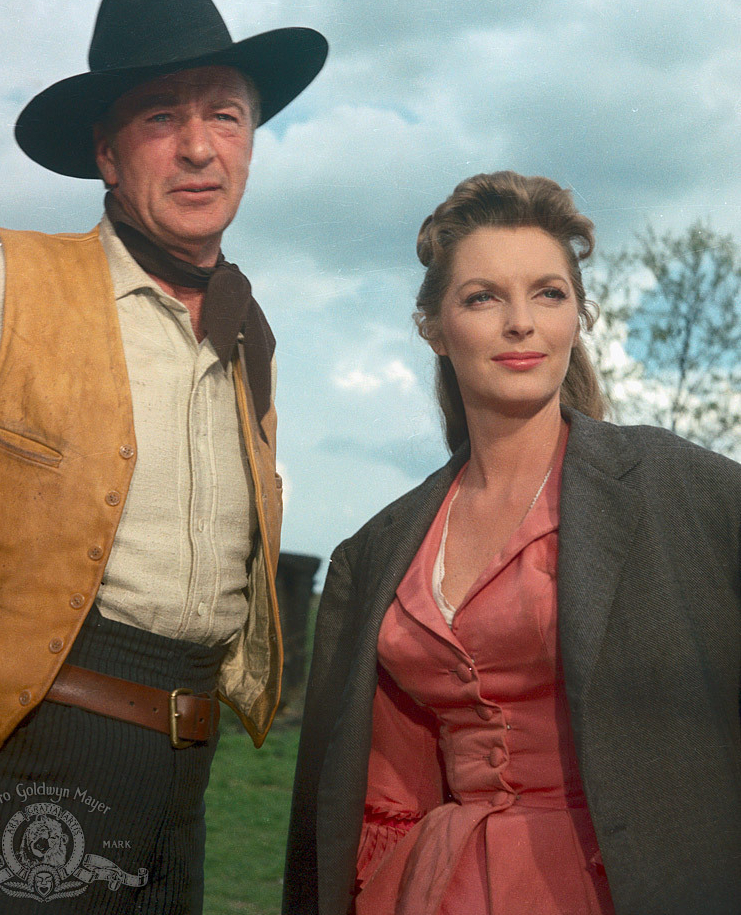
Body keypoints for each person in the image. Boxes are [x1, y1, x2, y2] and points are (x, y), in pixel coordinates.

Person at [0, 0, 327, 914]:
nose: (199, 148)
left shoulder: (251, 342)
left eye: (224, 116)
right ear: (108, 155)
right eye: (161, 118)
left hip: (177, 798)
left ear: (252, 141)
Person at [283, 171, 741, 915]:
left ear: (579, 316)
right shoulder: (375, 551)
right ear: (433, 325)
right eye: (483, 296)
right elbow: (367, 795)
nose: (520, 322)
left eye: (549, 293)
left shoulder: (680, 487)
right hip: (431, 888)